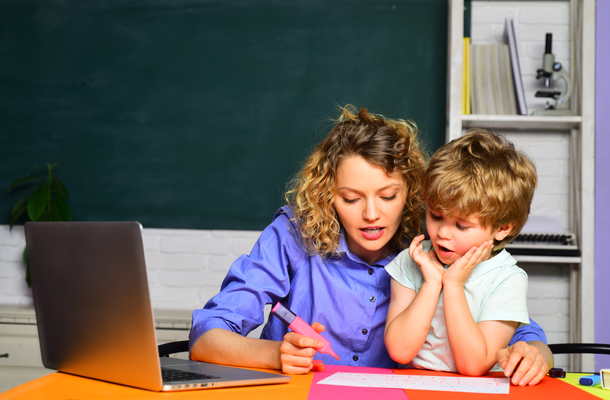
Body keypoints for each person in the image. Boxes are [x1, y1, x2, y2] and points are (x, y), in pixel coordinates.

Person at [189, 107, 553, 385]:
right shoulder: (293, 235)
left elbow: (514, 327)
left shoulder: (433, 243)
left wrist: (536, 353)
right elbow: (207, 337)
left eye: (389, 195)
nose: (372, 215)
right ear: (327, 195)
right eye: (350, 199)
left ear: (412, 189)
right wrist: (275, 354)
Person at [384, 129, 550, 382]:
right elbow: (400, 351)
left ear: (503, 228)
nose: (442, 234)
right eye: (436, 216)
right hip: (412, 385)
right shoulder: (412, 259)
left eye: (461, 226)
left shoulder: (508, 278)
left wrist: (453, 285)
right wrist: (431, 284)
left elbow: (473, 365)